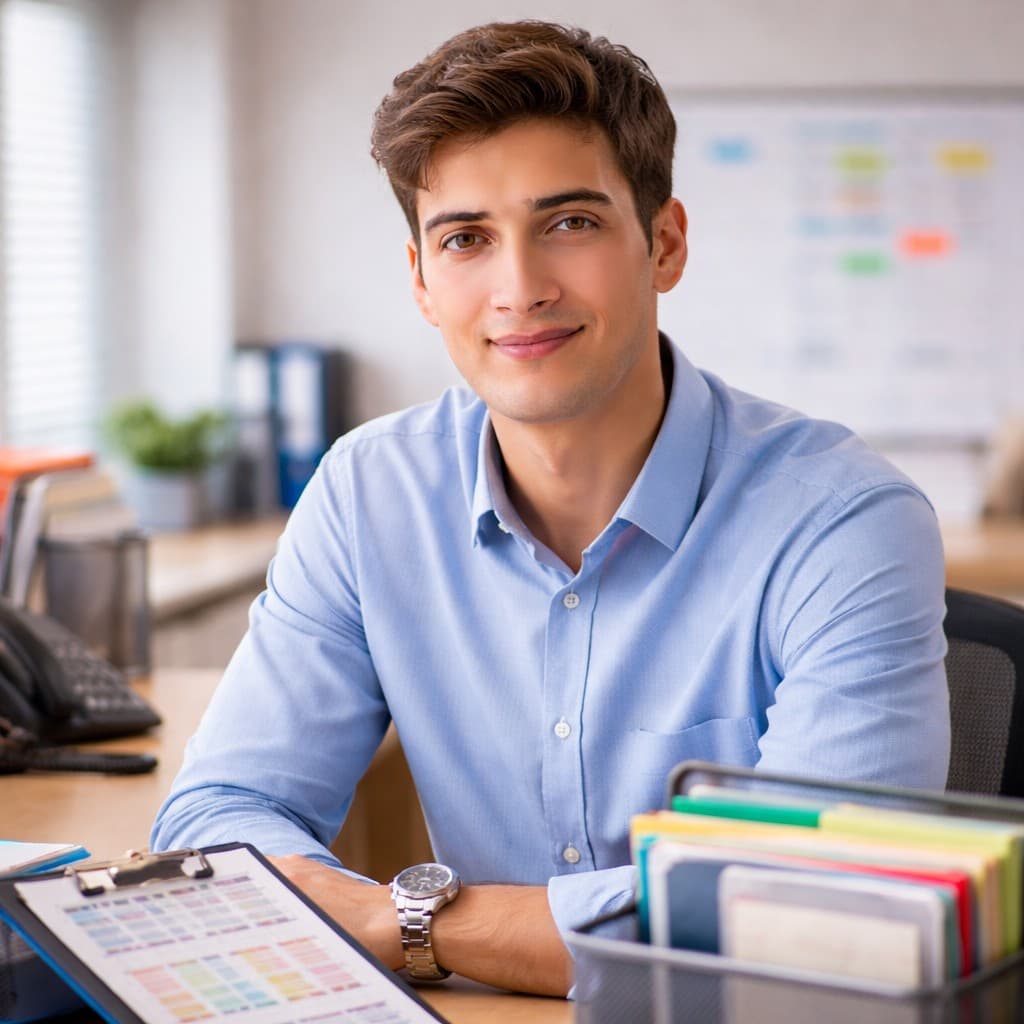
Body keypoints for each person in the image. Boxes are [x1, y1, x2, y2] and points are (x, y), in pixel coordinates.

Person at [152, 20, 950, 998]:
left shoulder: (842, 520)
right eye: (465, 239)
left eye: (568, 223)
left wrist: (401, 920)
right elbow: (219, 817)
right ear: (421, 281)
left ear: (663, 243)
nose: (519, 288)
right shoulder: (369, 495)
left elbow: (817, 907)